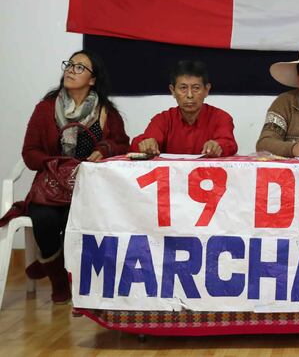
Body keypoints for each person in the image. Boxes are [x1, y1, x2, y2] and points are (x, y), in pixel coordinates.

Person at [21, 50, 130, 303]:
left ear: (92, 80)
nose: (70, 70)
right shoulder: (46, 108)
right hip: (51, 186)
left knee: (90, 221)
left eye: (80, 67)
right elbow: (29, 153)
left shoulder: (106, 112)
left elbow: (123, 144)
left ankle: (77, 276)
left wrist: (104, 150)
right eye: (69, 65)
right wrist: (56, 164)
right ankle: (59, 280)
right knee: (44, 219)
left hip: (88, 188)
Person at [130, 60, 237, 157]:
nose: (190, 95)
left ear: (206, 90)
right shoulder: (163, 119)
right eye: (183, 88)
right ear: (173, 91)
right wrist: (146, 143)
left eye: (196, 88)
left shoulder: (221, 118)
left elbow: (229, 144)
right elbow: (141, 143)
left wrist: (218, 146)